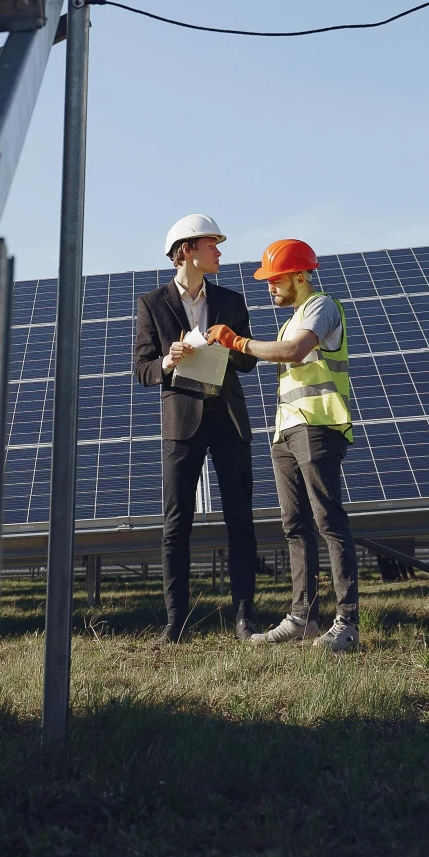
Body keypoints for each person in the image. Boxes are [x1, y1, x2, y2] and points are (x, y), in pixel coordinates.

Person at [211, 238, 358, 652]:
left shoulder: (320, 307)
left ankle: (347, 623)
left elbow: (294, 353)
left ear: (299, 276)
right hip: (287, 433)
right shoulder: (293, 316)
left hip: (317, 427)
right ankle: (303, 618)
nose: (270, 288)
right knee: (295, 526)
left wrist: (238, 342)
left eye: (275, 280)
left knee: (329, 522)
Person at [132, 214, 262, 642]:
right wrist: (169, 360)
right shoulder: (152, 304)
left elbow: (248, 360)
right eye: (212, 245)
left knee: (240, 521)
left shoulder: (232, 301)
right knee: (176, 526)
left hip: (227, 419)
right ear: (187, 250)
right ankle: (177, 623)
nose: (219, 252)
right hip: (182, 422)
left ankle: (244, 618)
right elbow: (143, 369)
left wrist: (229, 342)